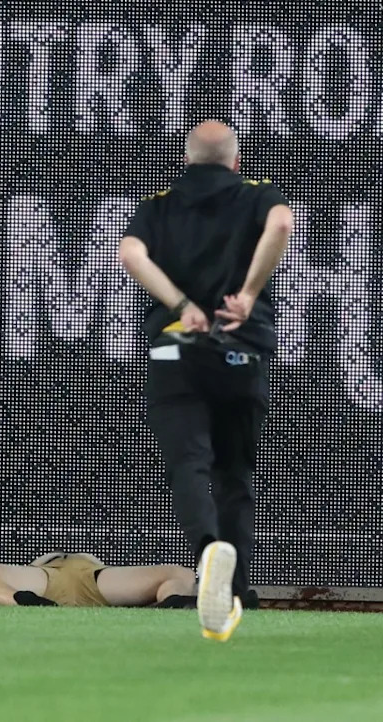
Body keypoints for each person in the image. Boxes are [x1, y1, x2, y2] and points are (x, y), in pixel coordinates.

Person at [119, 120, 293, 642]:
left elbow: (130, 254)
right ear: (235, 162)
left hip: (176, 349)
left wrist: (180, 305)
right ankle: (236, 593)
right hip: (242, 349)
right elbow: (282, 225)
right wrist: (246, 292)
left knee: (189, 465)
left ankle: (207, 554)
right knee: (235, 474)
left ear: (189, 159)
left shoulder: (161, 204)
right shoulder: (257, 196)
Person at [0, 552, 196, 607]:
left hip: (94, 576)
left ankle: (171, 603)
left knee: (180, 573)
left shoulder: (92, 565)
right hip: (44, 578)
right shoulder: (43, 567)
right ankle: (21, 601)